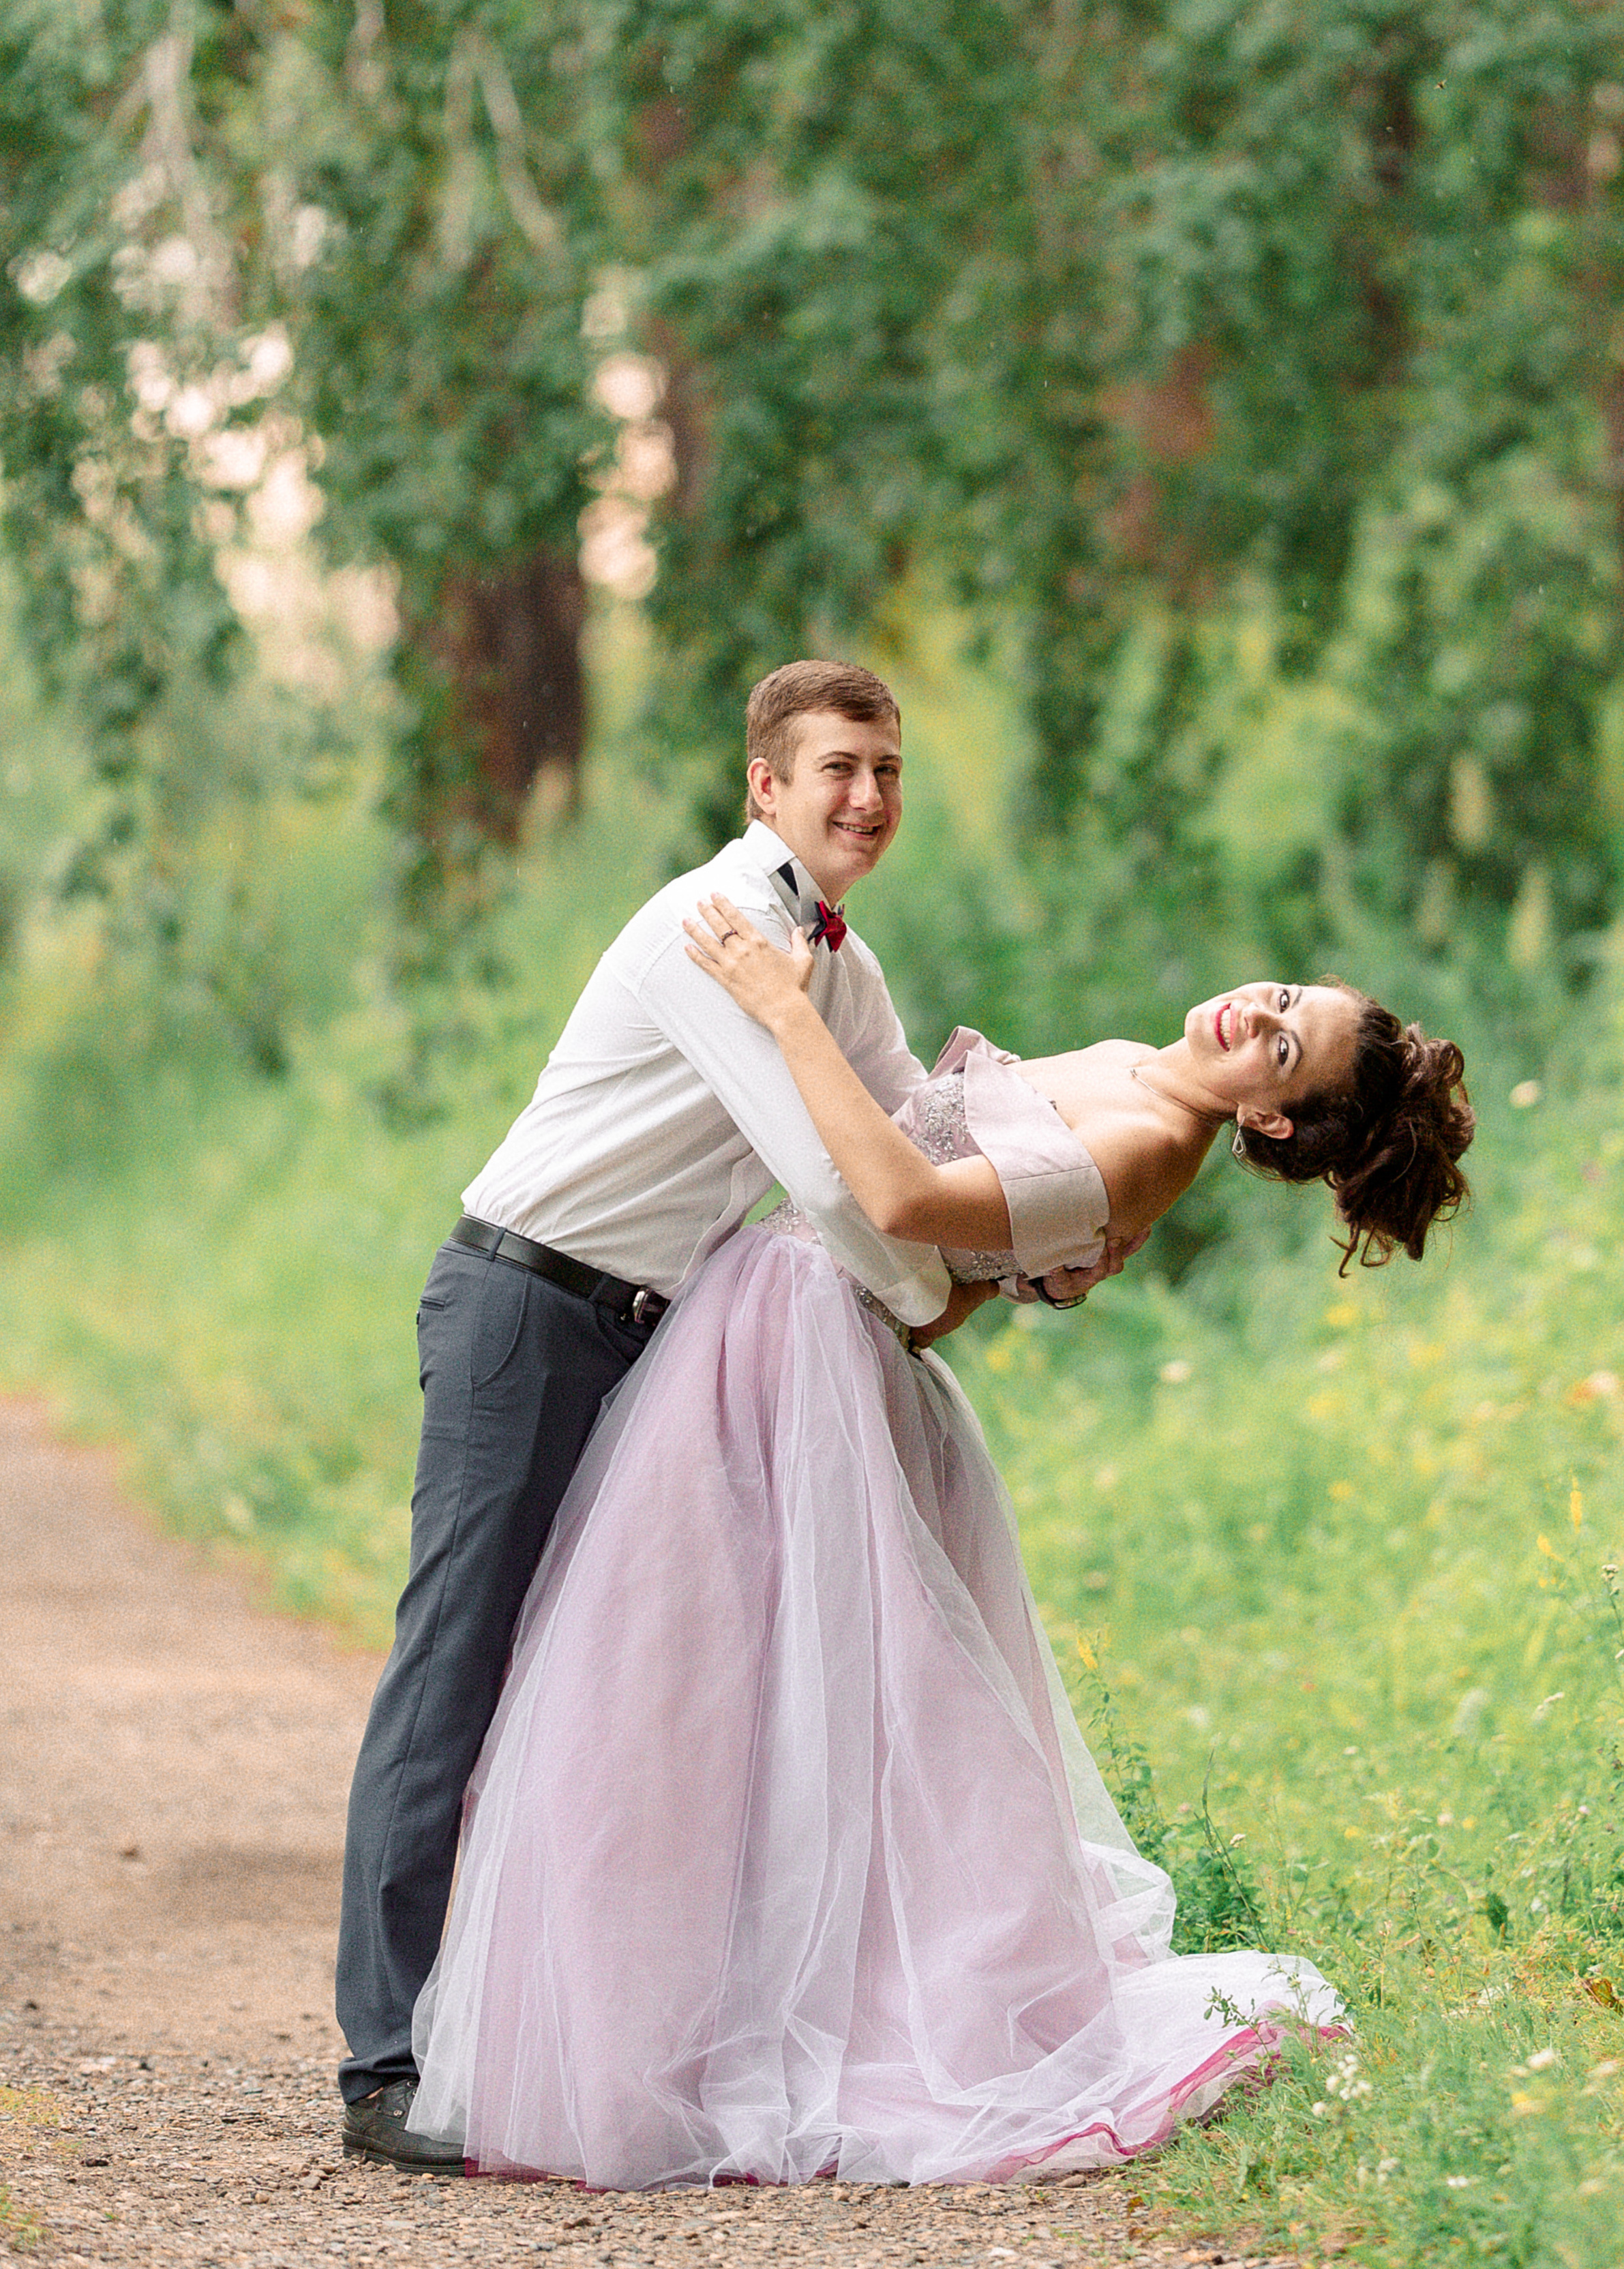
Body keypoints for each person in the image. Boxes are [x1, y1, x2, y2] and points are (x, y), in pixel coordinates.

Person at [404, 903, 1474, 2185]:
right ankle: (665, 2012)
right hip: (793, 1325)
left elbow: (907, 1199)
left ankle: (704, 2044)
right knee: (716, 1702)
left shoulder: (1148, 1140)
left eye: (1285, 1051)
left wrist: (784, 1010)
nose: (1262, 1013)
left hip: (809, 1347)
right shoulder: (1142, 1064)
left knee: (691, 1690)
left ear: (1273, 1121)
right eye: (1291, 995)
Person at [336, 659, 1132, 2172]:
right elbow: (837, 1183)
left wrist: (1077, 1191)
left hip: (647, 1324)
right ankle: (384, 2059)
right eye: (835, 767)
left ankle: (517, 2035)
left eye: (888, 769)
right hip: (526, 1304)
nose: (867, 798)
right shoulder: (723, 932)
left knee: (601, 1679)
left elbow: (919, 1120)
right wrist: (931, 1291)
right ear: (761, 784)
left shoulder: (841, 960)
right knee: (459, 1661)